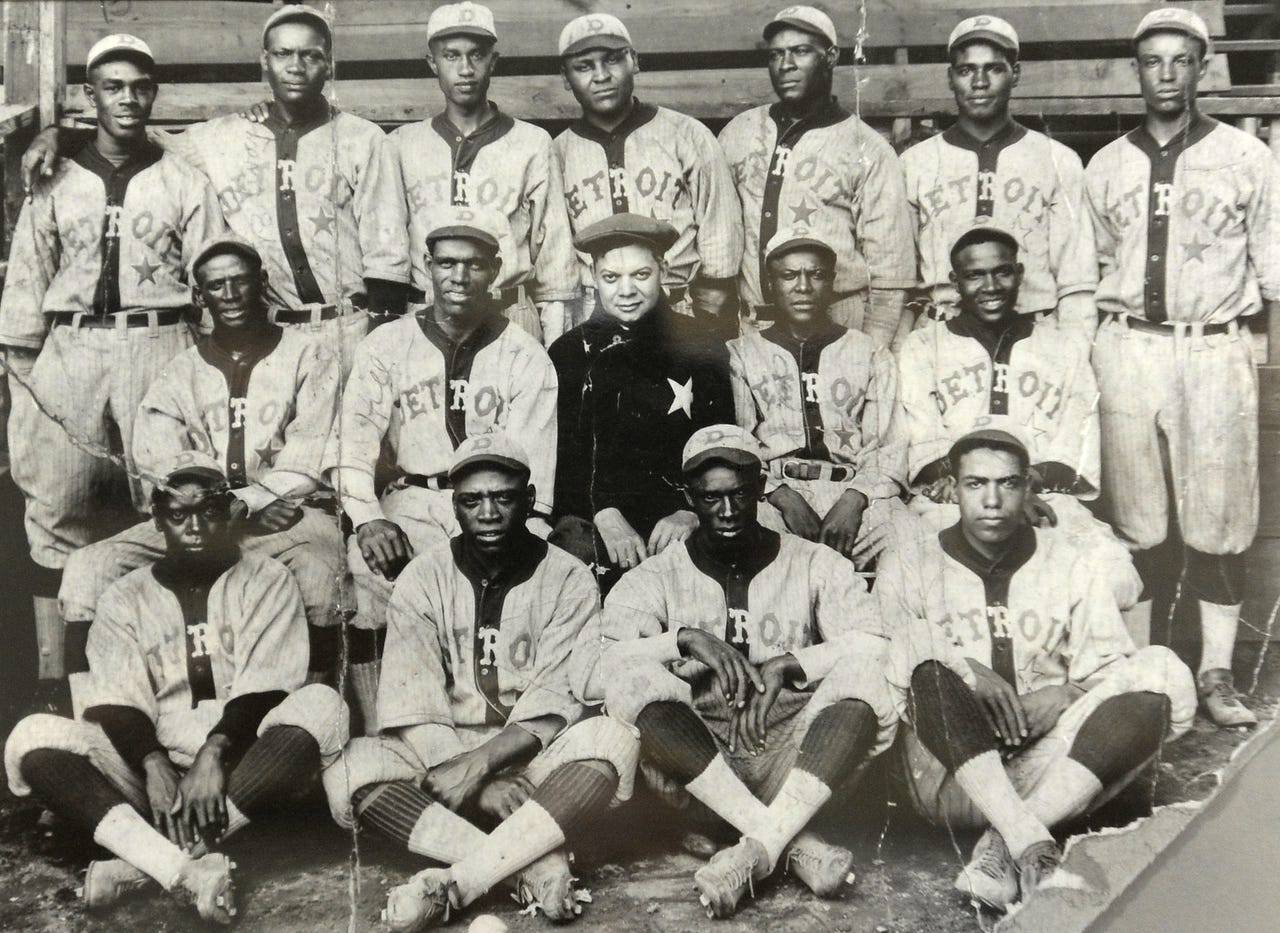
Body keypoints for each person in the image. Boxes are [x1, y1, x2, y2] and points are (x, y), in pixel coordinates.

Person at [3, 453, 349, 923]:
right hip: (154, 775)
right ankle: (184, 869)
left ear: (229, 514)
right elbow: (118, 699)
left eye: (208, 511)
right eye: (178, 514)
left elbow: (267, 689)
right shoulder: (124, 596)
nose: (195, 527)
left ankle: (143, 863)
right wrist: (152, 763)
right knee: (31, 736)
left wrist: (213, 755)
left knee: (323, 706)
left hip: (241, 765)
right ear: (157, 520)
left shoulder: (268, 579)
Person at [319, 433, 638, 930]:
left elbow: (558, 696)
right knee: (351, 769)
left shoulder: (570, 577)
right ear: (455, 506)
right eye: (472, 501)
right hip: (443, 757)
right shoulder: (423, 577)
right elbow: (414, 698)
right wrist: (473, 781)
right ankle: (525, 866)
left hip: (531, 759)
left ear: (528, 501)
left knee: (614, 740)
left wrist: (480, 767)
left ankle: (463, 879)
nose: (488, 513)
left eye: (503, 497)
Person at [578, 425, 898, 918]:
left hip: (791, 752)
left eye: (739, 495)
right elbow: (594, 673)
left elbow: (876, 644)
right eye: (711, 498)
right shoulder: (657, 575)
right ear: (689, 497)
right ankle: (787, 840)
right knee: (633, 682)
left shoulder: (814, 562)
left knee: (864, 678)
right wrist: (682, 639)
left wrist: (794, 663)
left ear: (760, 487)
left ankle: (751, 848)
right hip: (702, 760)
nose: (726, 512)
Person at [877, 426, 1195, 911]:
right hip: (949, 776)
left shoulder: (1070, 562)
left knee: (1161, 671)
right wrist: (965, 669)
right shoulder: (910, 563)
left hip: (1049, 768)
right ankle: (1025, 834)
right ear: (952, 487)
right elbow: (889, 661)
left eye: (1007, 484)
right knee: (921, 657)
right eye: (975, 484)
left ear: (1028, 488)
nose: (992, 500)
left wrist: (1065, 694)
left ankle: (1007, 842)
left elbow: (1109, 664)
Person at [0, 34, 224, 711]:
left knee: (166, 501)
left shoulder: (183, 175)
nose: (127, 99)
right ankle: (55, 686)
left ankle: (165, 678)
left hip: (160, 340)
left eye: (139, 87)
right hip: (71, 347)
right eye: (113, 86)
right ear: (90, 96)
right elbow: (27, 283)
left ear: (153, 93)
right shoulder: (57, 177)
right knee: (58, 507)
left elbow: (213, 274)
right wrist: (28, 382)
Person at [24, 5, 412, 371]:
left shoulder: (364, 139)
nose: (296, 67)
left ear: (329, 64)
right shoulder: (220, 137)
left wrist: (379, 344)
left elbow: (387, 254)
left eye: (311, 56)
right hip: (267, 330)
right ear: (264, 61)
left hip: (347, 326)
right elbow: (137, 135)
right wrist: (59, 136)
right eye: (283, 54)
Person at [1085, 7, 1279, 726]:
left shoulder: (1248, 157)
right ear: (1137, 70)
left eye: (1180, 60)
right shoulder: (1105, 164)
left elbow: (1276, 268)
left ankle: (1218, 672)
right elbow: (1095, 266)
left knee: (1220, 516)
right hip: (1129, 342)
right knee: (1136, 515)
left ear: (1201, 67)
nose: (1166, 75)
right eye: (1152, 61)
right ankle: (1142, 676)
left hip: (1215, 342)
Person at [56, 236, 347, 714]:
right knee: (88, 567)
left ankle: (310, 710)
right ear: (200, 298)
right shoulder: (179, 372)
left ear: (263, 284)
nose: (229, 294)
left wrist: (249, 504)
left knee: (319, 570)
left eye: (240, 281)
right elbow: (165, 465)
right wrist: (223, 509)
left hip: (286, 515)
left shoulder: (309, 356)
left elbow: (308, 455)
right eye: (216, 286)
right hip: (199, 517)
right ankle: (90, 713)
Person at [329, 212, 558, 731]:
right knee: (365, 570)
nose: (459, 277)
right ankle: (379, 727)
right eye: (447, 263)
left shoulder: (525, 354)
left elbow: (535, 473)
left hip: (491, 504)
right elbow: (354, 444)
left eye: (474, 265)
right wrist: (366, 518)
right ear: (426, 267)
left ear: (495, 271)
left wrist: (522, 527)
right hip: (414, 498)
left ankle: (490, 722)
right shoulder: (385, 345)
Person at [896, 225, 1140, 609]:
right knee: (937, 583)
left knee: (1116, 577)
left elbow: (1077, 444)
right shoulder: (923, 347)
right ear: (955, 282)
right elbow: (920, 436)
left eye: (1002, 272)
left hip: (1043, 498)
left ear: (1020, 274)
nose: (990, 285)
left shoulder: (1062, 347)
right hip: (950, 502)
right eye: (975, 275)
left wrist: (1023, 487)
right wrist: (986, 486)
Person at [548, 214, 733, 587]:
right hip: (595, 516)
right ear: (593, 276)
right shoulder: (568, 352)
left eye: (641, 274)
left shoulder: (703, 343)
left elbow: (722, 440)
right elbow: (564, 460)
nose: (627, 290)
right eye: (611, 278)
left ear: (663, 269)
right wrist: (603, 513)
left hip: (682, 514)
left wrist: (691, 511)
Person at [718, 6, 914, 347]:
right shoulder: (739, 132)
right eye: (777, 54)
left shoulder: (866, 146)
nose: (786, 64)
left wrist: (870, 351)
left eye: (801, 51)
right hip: (755, 325)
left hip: (838, 322)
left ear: (831, 57)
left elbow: (890, 273)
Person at [391, 1, 578, 345]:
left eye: (477, 55)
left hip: (508, 312)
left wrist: (554, 351)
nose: (465, 68)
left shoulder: (532, 142)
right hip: (427, 314)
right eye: (451, 56)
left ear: (493, 61)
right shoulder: (402, 144)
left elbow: (556, 264)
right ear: (432, 62)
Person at [727, 229, 914, 568]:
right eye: (789, 276)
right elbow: (739, 446)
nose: (803, 286)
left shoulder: (870, 351)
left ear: (832, 282)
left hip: (856, 492)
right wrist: (780, 495)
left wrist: (855, 499)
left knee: (910, 539)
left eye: (815, 275)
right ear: (770, 284)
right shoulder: (741, 354)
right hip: (773, 495)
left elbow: (889, 445)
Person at [901, 16, 1097, 338]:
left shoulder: (1058, 160)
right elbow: (901, 282)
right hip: (942, 334)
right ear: (950, 78)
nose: (979, 82)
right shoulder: (914, 163)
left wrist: (1073, 352)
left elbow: (1077, 284)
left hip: (1034, 332)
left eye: (993, 68)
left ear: (1015, 74)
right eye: (966, 70)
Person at [554, 13, 743, 330]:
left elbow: (720, 232)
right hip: (593, 310)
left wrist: (710, 315)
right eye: (584, 66)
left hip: (679, 302)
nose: (601, 75)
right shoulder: (558, 151)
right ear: (565, 77)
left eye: (613, 59)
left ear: (635, 61)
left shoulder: (686, 134)